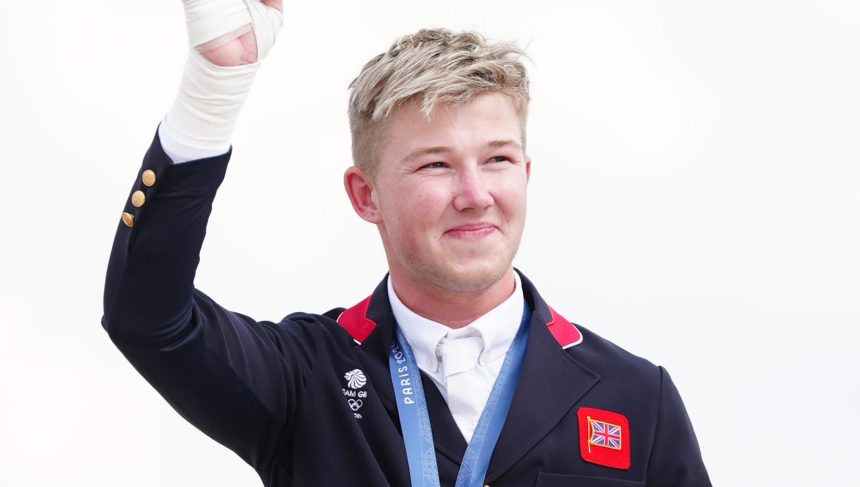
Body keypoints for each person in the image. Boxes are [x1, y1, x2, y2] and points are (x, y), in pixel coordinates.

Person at [102, 1, 712, 486]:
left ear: (526, 174)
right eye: (435, 166)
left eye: (497, 158)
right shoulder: (307, 375)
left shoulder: (636, 399)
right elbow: (147, 318)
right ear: (366, 196)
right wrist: (215, 86)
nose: (475, 193)